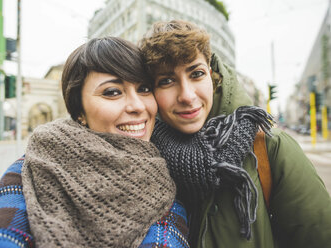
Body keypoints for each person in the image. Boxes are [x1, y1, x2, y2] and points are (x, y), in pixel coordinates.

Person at [0, 37, 190, 248]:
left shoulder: (166, 172)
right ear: (79, 110)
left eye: (144, 89)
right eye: (112, 92)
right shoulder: (36, 165)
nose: (138, 106)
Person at [139, 20, 331, 248]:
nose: (187, 96)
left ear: (211, 75)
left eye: (196, 74)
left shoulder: (270, 148)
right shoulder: (145, 158)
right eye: (167, 81)